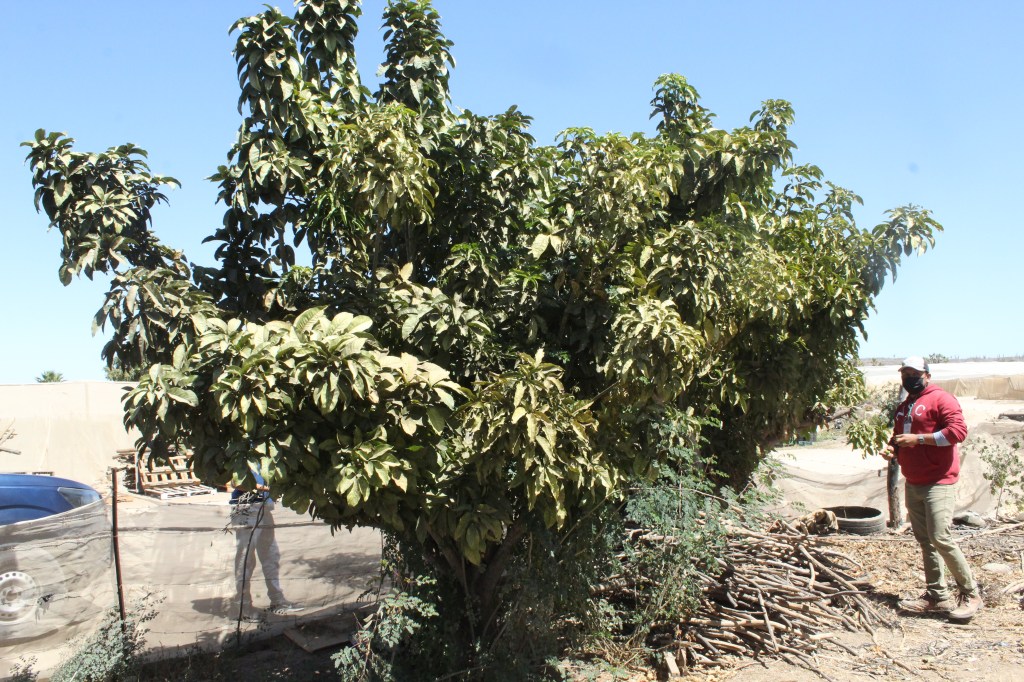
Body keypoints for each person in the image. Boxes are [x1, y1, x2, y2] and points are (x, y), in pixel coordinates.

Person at [882, 356, 982, 621]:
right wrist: (892, 449)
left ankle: (970, 594)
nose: (909, 378)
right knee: (925, 540)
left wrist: (919, 439)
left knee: (940, 537)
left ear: (927, 375)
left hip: (939, 481)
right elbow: (899, 438)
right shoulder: (904, 407)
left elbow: (957, 432)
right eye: (905, 374)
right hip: (913, 481)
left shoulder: (942, 399)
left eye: (914, 373)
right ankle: (937, 595)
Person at [229, 469, 301, 617]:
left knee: (271, 556)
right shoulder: (244, 456)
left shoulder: (267, 458)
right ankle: (243, 608)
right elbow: (235, 483)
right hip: (246, 509)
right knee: (245, 559)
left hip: (264, 509)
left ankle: (277, 601)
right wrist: (268, 489)